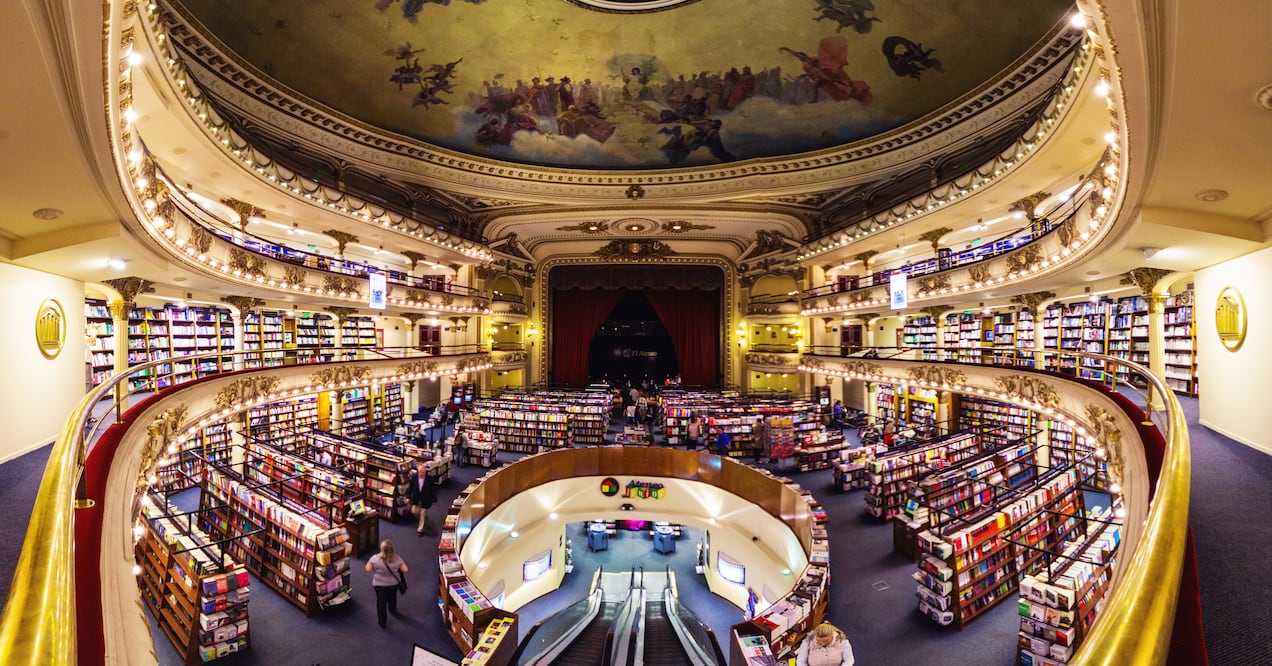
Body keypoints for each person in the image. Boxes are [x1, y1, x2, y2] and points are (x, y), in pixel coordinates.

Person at [364, 540, 408, 629]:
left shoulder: (374, 559)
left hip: (379, 584)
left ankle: (382, 622)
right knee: (392, 597)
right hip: (393, 584)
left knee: (381, 602)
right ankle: (392, 609)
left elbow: (367, 569)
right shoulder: (397, 558)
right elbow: (405, 569)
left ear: (381, 549)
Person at [407, 463, 437, 536]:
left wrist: (434, 499)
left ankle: (420, 530)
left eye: (423, 472)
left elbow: (433, 490)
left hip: (426, 499)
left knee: (423, 513)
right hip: (416, 499)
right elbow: (410, 488)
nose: (421, 474)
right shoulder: (414, 477)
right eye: (420, 472)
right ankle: (423, 519)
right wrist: (408, 497)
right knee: (414, 511)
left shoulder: (429, 479)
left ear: (425, 472)